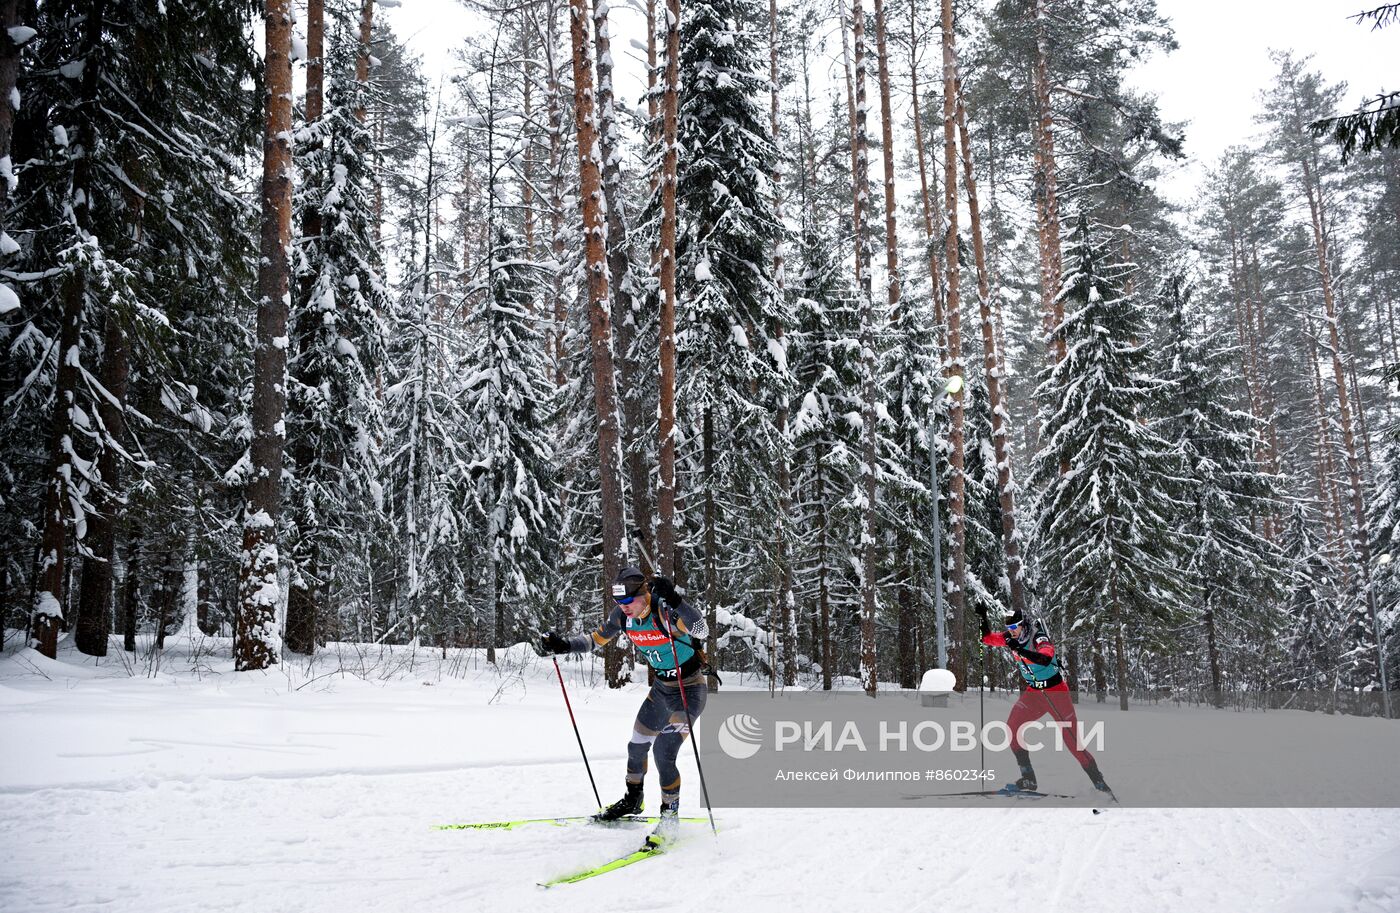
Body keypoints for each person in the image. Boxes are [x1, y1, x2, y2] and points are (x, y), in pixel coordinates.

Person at [534, 566, 709, 846]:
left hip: (689, 691)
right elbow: (594, 640)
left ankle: (669, 819)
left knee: (664, 752)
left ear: (645, 594)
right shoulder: (623, 617)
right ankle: (633, 799)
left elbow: (702, 629)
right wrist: (565, 645)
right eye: (619, 603)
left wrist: (676, 600)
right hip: (662, 691)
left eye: (628, 602)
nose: (624, 608)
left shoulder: (665, 612)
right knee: (637, 745)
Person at [980, 608, 1112, 795]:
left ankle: (1100, 784)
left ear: (1024, 624)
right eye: (1008, 627)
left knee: (1072, 742)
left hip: (1056, 694)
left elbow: (1045, 658)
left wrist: (1020, 649)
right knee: (1012, 728)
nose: (1011, 631)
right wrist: (983, 617)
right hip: (1034, 694)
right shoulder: (1011, 637)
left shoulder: (1037, 637)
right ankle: (1028, 779)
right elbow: (986, 639)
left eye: (1014, 626)